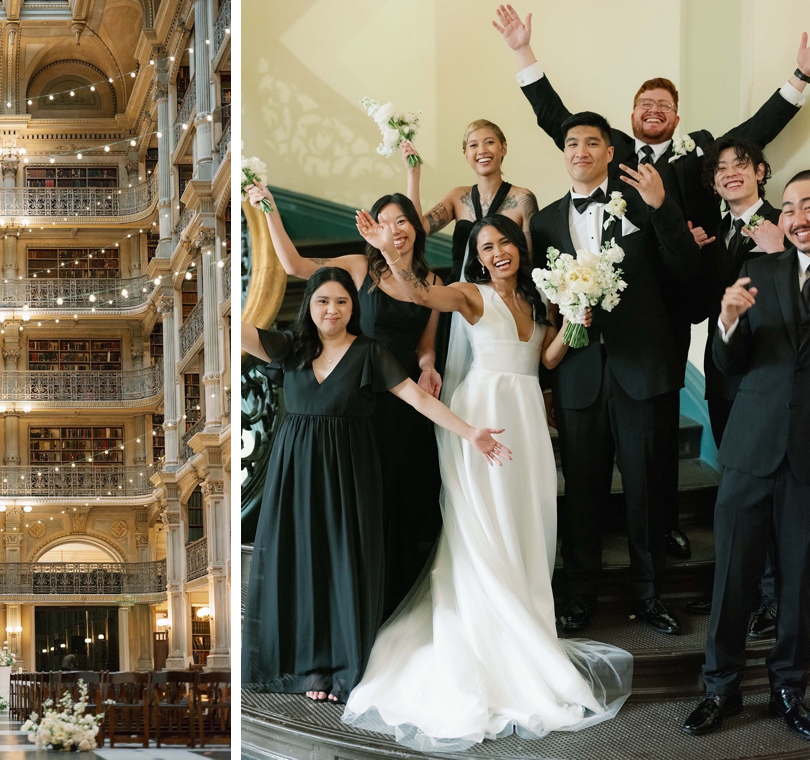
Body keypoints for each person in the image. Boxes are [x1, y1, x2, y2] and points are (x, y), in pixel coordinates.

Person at [493, 2, 810, 562]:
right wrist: (522, 52)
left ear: (677, 119)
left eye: (665, 105)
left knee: (654, 426)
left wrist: (800, 76)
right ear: (628, 118)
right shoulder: (612, 154)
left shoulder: (700, 150)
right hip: (614, 313)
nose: (654, 110)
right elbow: (556, 119)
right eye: (644, 103)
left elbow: (756, 132)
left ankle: (660, 523)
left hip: (679, 305)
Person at [342, 213, 632, 751]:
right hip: (485, 417)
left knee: (528, 517)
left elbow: (542, 360)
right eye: (488, 246)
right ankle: (492, 629)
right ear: (476, 255)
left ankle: (524, 613)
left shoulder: (539, 296)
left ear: (520, 248)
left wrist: (573, 322)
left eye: (506, 243)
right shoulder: (470, 295)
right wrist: (393, 252)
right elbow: (422, 296)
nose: (499, 252)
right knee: (484, 524)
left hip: (525, 415)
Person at [241, 266, 509, 704]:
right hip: (297, 472)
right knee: (303, 560)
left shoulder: (370, 351)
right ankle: (307, 666)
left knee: (343, 562)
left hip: (349, 470)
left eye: (342, 301)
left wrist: (470, 432)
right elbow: (231, 324)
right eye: (323, 301)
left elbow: (419, 399)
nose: (332, 309)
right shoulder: (289, 348)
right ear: (309, 306)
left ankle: (339, 666)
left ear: (354, 307)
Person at [684, 171, 810, 742]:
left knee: (798, 581)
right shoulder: (758, 270)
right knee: (731, 573)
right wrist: (726, 324)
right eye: (787, 208)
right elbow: (731, 367)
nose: (798, 217)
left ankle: (789, 687)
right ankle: (719, 689)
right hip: (752, 448)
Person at [529, 111, 701, 636]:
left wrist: (664, 208)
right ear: (564, 154)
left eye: (592, 143)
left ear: (610, 152)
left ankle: (650, 594)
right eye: (572, 143)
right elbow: (545, 306)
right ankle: (580, 594)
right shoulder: (544, 221)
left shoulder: (642, 205)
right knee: (582, 487)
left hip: (639, 368)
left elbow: (684, 270)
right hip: (579, 372)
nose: (580, 150)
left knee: (647, 485)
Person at [245, 183, 444, 620]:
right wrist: (269, 210)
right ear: (373, 229)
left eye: (404, 220)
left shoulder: (432, 282)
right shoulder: (358, 268)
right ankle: (355, 608)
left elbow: (426, 343)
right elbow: (295, 264)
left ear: (416, 227)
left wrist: (428, 366)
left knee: (404, 503)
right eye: (386, 221)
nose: (396, 229)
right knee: (359, 505)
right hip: (357, 400)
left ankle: (396, 606)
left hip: (406, 399)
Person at [683, 138, 785, 631]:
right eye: (720, 168)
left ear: (761, 171)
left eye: (739, 165)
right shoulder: (718, 231)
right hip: (722, 375)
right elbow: (709, 305)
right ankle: (735, 588)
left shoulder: (782, 226)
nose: (729, 174)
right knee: (734, 490)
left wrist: (782, 251)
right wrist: (698, 255)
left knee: (762, 491)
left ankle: (769, 597)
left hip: (765, 380)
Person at [398, 121, 538, 376]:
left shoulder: (523, 199)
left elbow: (529, 259)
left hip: (503, 301)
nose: (482, 150)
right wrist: (413, 175)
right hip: (459, 298)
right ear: (465, 154)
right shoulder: (457, 196)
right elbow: (415, 230)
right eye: (473, 145)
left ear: (503, 148)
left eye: (490, 142)